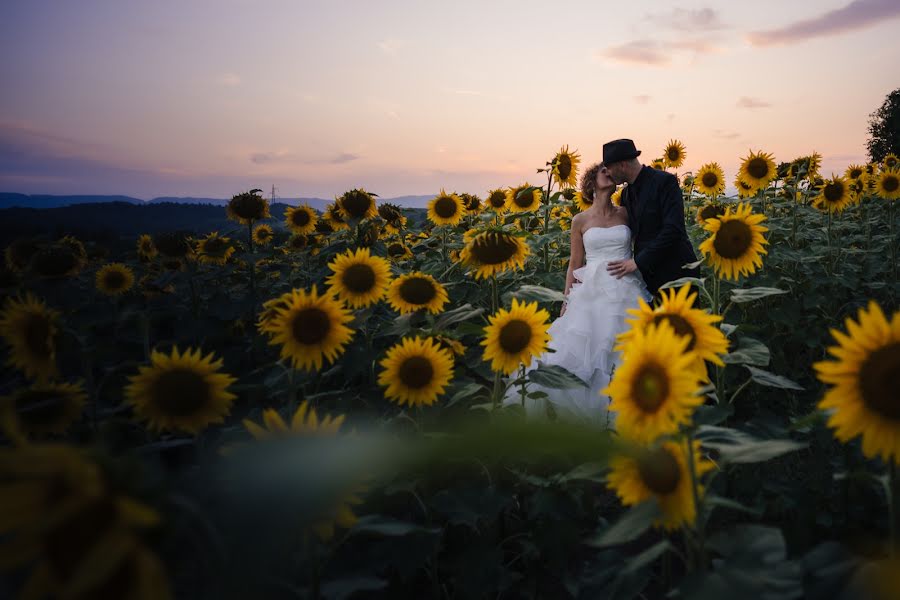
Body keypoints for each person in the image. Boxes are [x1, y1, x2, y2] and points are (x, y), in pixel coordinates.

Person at [504, 162, 651, 426]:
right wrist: (566, 299)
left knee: (624, 349)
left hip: (626, 287)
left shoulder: (626, 214)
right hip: (591, 292)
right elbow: (575, 263)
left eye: (611, 171)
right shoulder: (580, 220)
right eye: (603, 171)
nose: (609, 172)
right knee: (583, 349)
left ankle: (626, 413)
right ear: (591, 183)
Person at [602, 139, 699, 299]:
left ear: (622, 165)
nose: (608, 173)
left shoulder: (664, 182)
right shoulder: (626, 194)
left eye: (609, 168)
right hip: (649, 278)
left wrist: (638, 262)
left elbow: (674, 229)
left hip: (677, 273)